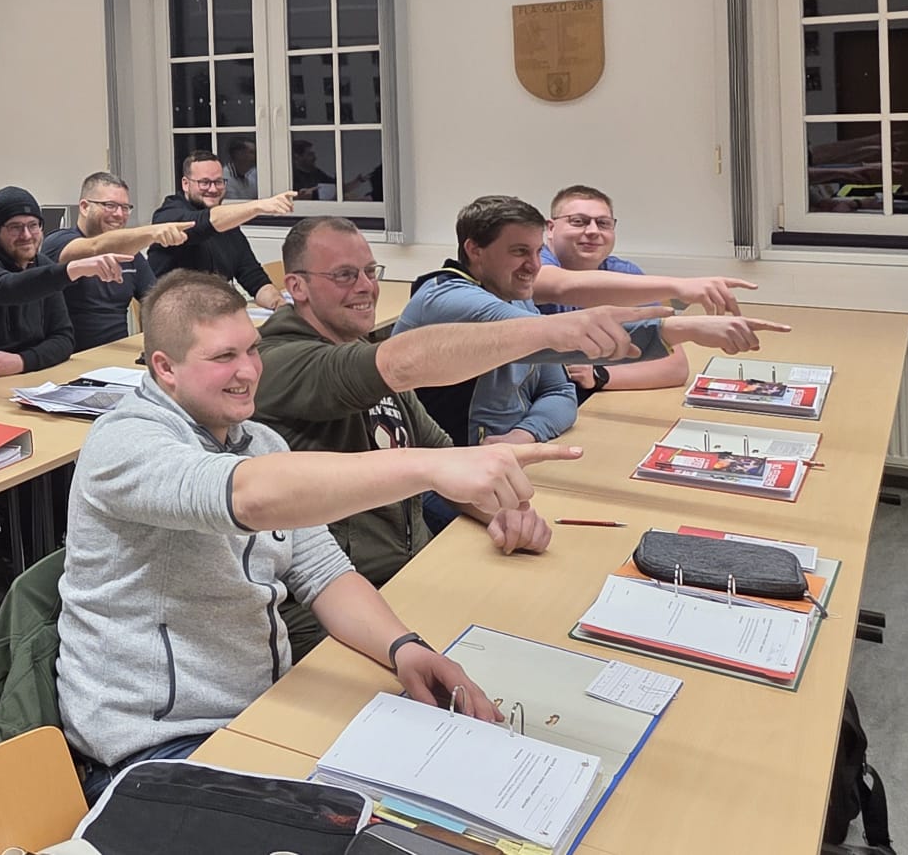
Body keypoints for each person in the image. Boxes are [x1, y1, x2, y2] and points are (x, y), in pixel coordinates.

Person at [57, 270, 582, 789]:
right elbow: (247, 496)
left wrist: (404, 649)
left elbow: (322, 572)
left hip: (259, 710)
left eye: (252, 350)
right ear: (165, 367)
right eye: (223, 357)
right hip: (156, 744)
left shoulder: (259, 441)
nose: (248, 371)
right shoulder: (123, 443)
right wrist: (431, 466)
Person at [255, 218, 662, 658]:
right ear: (296, 286)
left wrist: (500, 514)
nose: (366, 287)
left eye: (370, 272)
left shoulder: (354, 350)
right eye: (344, 275)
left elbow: (444, 459)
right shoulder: (275, 364)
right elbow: (398, 363)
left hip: (411, 575)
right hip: (332, 611)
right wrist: (552, 331)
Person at [395, 196, 789, 445]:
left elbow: (559, 392)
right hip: (443, 473)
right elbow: (553, 338)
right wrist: (685, 328)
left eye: (536, 252)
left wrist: (523, 435)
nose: (533, 265)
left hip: (505, 459)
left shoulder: (518, 296)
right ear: (474, 250)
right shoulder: (448, 297)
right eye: (519, 252)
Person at [0, 186, 128, 393]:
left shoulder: (42, 266)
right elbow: (9, 287)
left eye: (33, 225)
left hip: (26, 385)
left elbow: (63, 339)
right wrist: (73, 269)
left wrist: (22, 361)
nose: (26, 235)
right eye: (15, 227)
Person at [537, 184, 689, 400]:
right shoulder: (532, 265)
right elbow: (558, 284)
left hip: (589, 399)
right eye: (578, 221)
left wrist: (600, 376)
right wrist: (679, 286)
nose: (593, 231)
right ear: (550, 228)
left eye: (603, 223)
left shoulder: (623, 273)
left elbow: (675, 367)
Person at [41, 173, 189, 350]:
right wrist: (152, 233)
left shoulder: (132, 256)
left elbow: (157, 301)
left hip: (117, 354)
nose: (119, 214)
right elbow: (95, 247)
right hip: (69, 356)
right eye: (110, 206)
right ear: (85, 207)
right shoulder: (58, 242)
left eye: (125, 207)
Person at [149, 152, 295, 308]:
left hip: (216, 312)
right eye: (204, 182)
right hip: (173, 313)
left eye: (218, 182)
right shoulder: (168, 215)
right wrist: (259, 206)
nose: (213, 189)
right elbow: (203, 223)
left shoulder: (228, 225)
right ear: (185, 184)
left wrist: (280, 306)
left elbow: (255, 279)